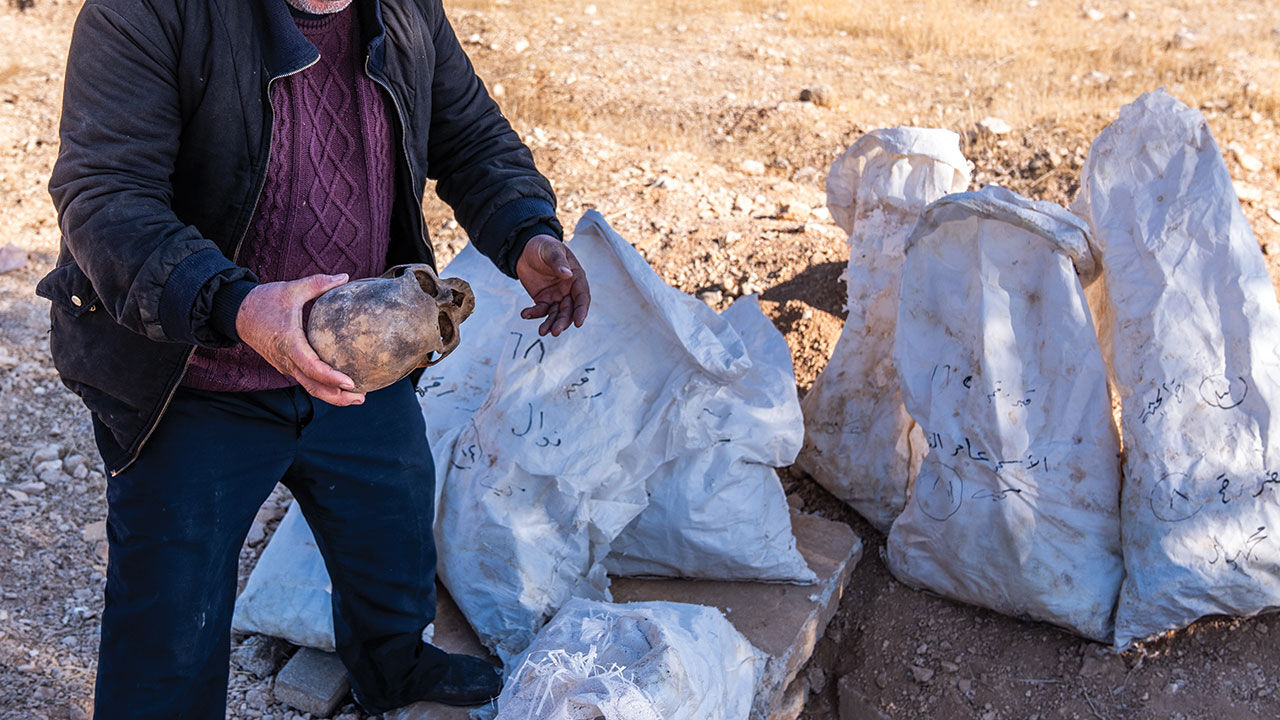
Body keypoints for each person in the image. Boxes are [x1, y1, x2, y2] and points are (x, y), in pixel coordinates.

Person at [37, 0, 589, 716]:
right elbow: (106, 198)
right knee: (169, 628)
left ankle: (392, 669)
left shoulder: (404, 8)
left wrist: (524, 231)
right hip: (194, 372)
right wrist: (239, 307)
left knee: (392, 546)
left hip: (357, 354)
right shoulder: (145, 11)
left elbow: (471, 137)